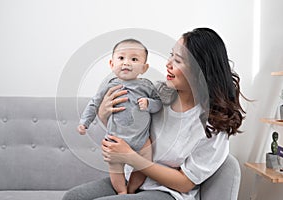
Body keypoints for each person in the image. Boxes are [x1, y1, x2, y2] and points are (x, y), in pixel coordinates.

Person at [64, 27, 246, 200]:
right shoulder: (157, 94)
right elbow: (130, 131)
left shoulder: (213, 124)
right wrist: (104, 115)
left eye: (178, 60)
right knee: (73, 197)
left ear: (199, 70)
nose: (168, 64)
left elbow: (185, 183)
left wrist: (130, 157)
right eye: (171, 55)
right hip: (132, 180)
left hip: (168, 192)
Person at [77, 38, 162, 194]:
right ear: (111, 64)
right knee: (115, 168)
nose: (126, 63)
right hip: (115, 139)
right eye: (121, 58)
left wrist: (149, 104)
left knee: (144, 164)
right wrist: (84, 123)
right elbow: (94, 103)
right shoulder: (109, 85)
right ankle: (122, 192)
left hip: (141, 139)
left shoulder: (147, 86)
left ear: (144, 67)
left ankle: (131, 190)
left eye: (134, 59)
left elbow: (159, 104)